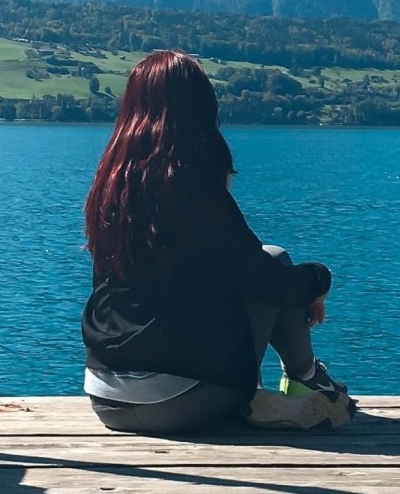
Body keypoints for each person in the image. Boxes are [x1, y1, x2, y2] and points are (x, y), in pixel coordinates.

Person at [81, 49, 353, 434]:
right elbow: (267, 280)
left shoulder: (112, 185)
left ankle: (292, 384)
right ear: (199, 107)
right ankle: (304, 380)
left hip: (106, 397)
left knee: (263, 268)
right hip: (183, 400)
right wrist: (319, 281)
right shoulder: (191, 184)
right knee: (276, 261)